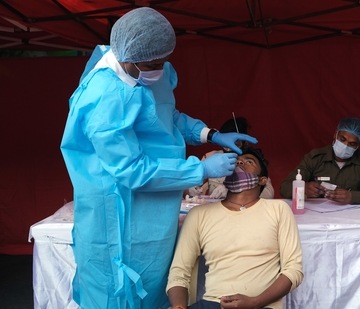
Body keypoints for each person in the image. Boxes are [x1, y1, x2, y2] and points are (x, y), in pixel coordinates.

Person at [60, 7, 257, 309]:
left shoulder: (151, 71)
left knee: (153, 286)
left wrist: (208, 134)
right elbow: (132, 170)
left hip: (155, 207)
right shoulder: (104, 99)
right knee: (117, 293)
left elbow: (166, 115)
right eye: (154, 63)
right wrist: (200, 169)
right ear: (127, 56)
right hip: (116, 210)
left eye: (164, 61)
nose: (161, 69)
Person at [167, 146, 303, 309]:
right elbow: (179, 272)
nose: (239, 162)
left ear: (262, 180)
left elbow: (293, 270)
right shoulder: (199, 214)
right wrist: (179, 306)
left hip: (262, 305)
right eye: (237, 160)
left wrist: (255, 302)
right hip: (213, 304)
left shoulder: (278, 210)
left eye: (249, 161)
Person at [279, 117, 360, 205]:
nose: (345, 146)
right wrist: (304, 188)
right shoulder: (315, 158)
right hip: (317, 215)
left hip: (350, 217)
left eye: (352, 144)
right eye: (342, 139)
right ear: (335, 134)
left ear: (358, 146)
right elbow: (284, 187)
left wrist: (352, 197)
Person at [188, 117, 275, 199]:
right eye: (226, 143)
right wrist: (193, 188)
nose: (229, 148)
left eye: (235, 143)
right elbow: (193, 181)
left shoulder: (253, 159)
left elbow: (268, 193)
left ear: (244, 141)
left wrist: (234, 189)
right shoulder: (211, 157)